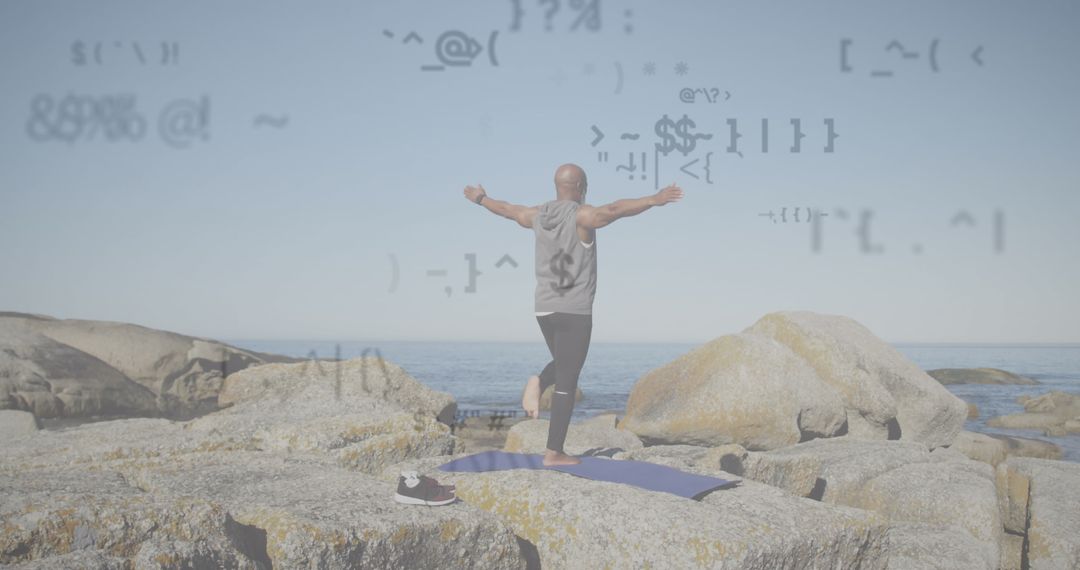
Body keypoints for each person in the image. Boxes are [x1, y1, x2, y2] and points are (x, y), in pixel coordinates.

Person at [464, 164, 683, 466]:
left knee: (564, 362)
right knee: (568, 378)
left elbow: (506, 209)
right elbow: (615, 209)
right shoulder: (582, 216)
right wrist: (653, 199)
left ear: (557, 186)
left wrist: (479, 199)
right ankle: (553, 451)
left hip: (544, 308)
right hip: (574, 309)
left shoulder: (537, 215)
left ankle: (539, 382)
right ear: (581, 187)